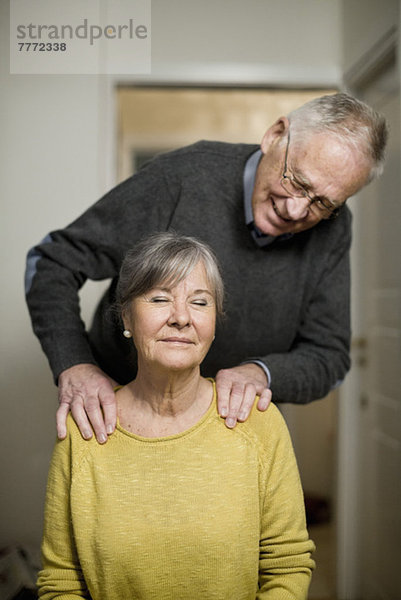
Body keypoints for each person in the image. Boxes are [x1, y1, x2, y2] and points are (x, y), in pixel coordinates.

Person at [25, 92, 388, 444]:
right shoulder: (183, 176)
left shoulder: (334, 227)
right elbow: (53, 262)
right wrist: (75, 365)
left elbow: (329, 357)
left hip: (228, 432)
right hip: (116, 419)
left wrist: (262, 374)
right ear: (275, 136)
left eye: (322, 203)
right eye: (296, 181)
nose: (295, 211)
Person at [37, 232, 315, 600]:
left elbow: (287, 567)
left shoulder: (260, 422)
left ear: (214, 321)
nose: (182, 317)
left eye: (200, 302)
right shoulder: (84, 426)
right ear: (126, 317)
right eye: (159, 299)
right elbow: (61, 583)